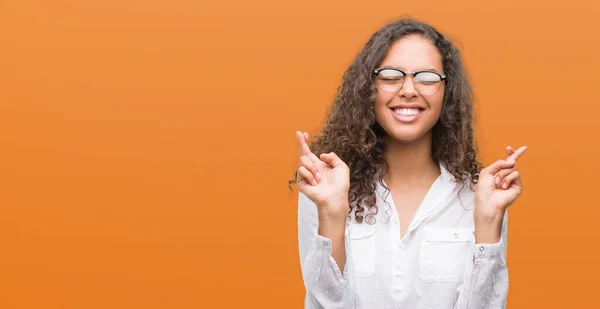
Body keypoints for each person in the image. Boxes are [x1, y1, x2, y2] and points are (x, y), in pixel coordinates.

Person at [292, 18, 527, 309]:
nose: (408, 89)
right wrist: (331, 213)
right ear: (369, 88)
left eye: (427, 77)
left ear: (447, 93)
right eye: (391, 76)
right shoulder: (326, 189)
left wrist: (489, 223)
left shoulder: (479, 197)